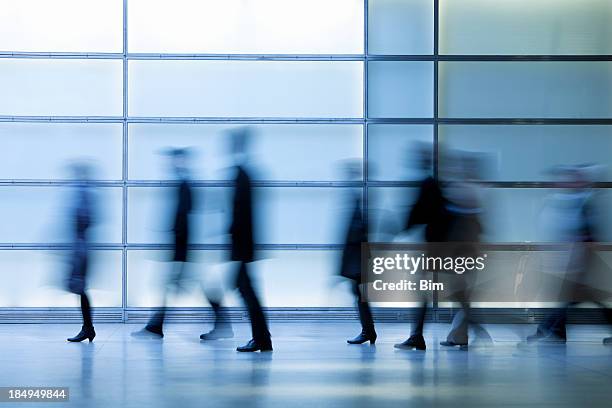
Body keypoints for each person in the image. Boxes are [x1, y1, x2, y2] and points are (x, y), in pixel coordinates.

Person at [394, 144, 449, 351]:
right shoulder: (431, 184)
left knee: (419, 291)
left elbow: (421, 214)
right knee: (421, 291)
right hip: (429, 247)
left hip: (427, 248)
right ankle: (416, 335)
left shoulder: (428, 184)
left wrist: (403, 228)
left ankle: (416, 335)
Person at [229, 128, 272, 352]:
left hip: (242, 247)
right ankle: (262, 337)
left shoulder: (241, 174)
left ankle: (262, 338)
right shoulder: (246, 173)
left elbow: (240, 215)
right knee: (245, 289)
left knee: (246, 290)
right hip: (245, 246)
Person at [340, 161, 376, 345]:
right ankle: (368, 330)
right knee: (359, 293)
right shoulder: (361, 195)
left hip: (357, 255)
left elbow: (357, 229)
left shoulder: (359, 195)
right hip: (358, 254)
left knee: (359, 293)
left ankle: (368, 331)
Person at [66, 163, 96, 342]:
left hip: (81, 249)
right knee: (79, 288)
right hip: (80, 248)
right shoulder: (83, 196)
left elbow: (85, 222)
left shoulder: (84, 196)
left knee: (80, 287)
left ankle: (88, 328)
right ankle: (88, 328)